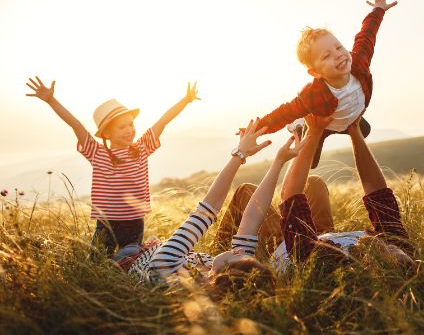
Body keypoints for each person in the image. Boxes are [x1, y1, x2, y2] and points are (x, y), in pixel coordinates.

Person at [121, 119, 307, 297]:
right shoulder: (226, 274)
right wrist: (278, 163)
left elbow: (208, 208)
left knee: (125, 249)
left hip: (138, 254)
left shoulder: (166, 267)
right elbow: (252, 216)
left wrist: (240, 153)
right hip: (167, 250)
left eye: (237, 257)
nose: (239, 252)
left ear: (216, 277)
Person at [26, 76, 200, 257]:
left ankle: (129, 258)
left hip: (134, 221)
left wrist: (185, 100)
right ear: (107, 133)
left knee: (131, 258)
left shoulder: (141, 149)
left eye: (130, 124)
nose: (129, 130)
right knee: (97, 260)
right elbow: (75, 124)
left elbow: (163, 121)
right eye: (121, 127)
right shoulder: (97, 152)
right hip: (106, 223)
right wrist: (51, 100)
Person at [251, 0, 398, 168]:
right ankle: (300, 125)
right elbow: (284, 113)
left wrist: (378, 10)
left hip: (349, 116)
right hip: (325, 123)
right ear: (315, 73)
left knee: (364, 131)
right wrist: (255, 131)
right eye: (326, 56)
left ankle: (346, 123)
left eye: (338, 47)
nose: (338, 55)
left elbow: (367, 36)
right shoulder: (313, 95)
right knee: (310, 163)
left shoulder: (359, 63)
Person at [274, 113, 414, 271]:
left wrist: (313, 131)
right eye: (408, 257)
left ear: (377, 266)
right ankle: (309, 132)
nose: (398, 250)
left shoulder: (330, 264)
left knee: (247, 193)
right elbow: (377, 193)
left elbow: (289, 195)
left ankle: (303, 133)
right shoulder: (398, 246)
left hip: (284, 244)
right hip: (324, 235)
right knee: (314, 183)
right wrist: (355, 130)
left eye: (396, 257)